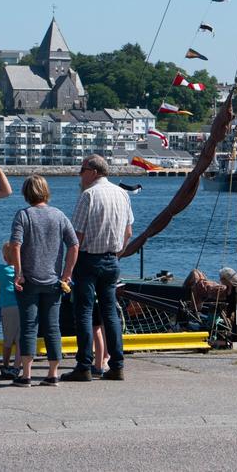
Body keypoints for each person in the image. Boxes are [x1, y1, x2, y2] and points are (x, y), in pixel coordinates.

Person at [62, 154, 134, 383]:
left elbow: (77, 237)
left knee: (83, 313)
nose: (79, 175)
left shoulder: (88, 195)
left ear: (93, 171)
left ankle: (83, 365)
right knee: (110, 313)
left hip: (88, 259)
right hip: (112, 259)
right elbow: (129, 232)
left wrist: (69, 267)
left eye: (82, 170)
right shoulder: (122, 193)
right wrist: (117, 254)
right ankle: (117, 365)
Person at [8, 175, 78, 387]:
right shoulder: (59, 215)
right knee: (52, 327)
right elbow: (74, 245)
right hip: (53, 281)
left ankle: (26, 374)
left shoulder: (23, 215)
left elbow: (15, 245)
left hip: (29, 280)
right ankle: (52, 373)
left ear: (26, 193)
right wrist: (67, 273)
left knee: (29, 327)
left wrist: (18, 272)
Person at [0, 259, 19, 378]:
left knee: (7, 339)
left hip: (7, 307)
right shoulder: (21, 271)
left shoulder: (3, 269)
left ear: (5, 257)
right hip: (22, 306)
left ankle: (6, 365)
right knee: (19, 340)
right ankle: (17, 367)